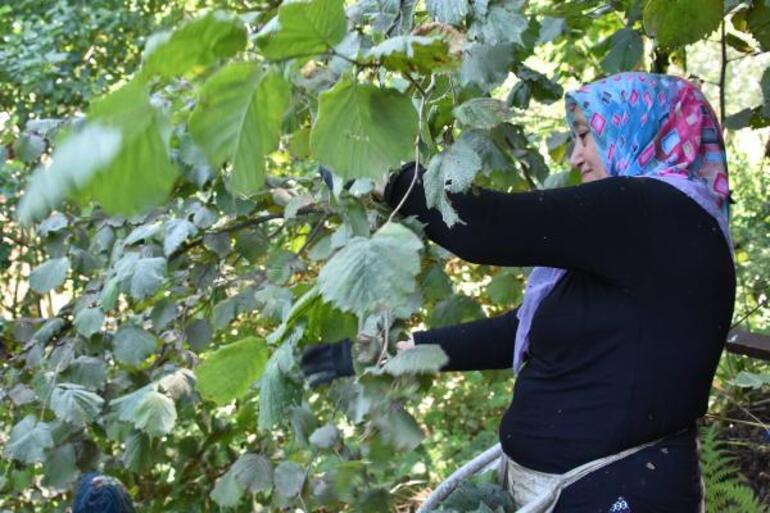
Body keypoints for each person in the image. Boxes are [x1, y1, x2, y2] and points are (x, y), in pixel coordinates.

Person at [301, 72, 735, 512]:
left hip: (614, 492)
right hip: (577, 486)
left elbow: (487, 227)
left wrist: (380, 173)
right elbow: (528, 332)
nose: (576, 155)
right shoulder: (657, 232)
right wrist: (395, 350)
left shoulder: (656, 211)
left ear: (640, 126)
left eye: (586, 135)